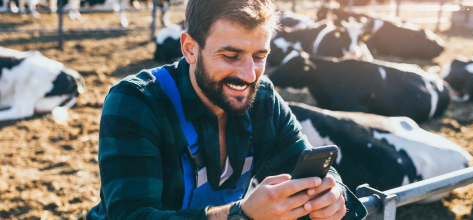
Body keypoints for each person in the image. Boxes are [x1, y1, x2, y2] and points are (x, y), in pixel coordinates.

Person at [86, 0, 367, 219]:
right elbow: (132, 216)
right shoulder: (136, 102)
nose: (248, 74)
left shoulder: (264, 100)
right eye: (231, 56)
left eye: (259, 56)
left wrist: (332, 195)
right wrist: (240, 215)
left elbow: (309, 168)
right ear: (190, 49)